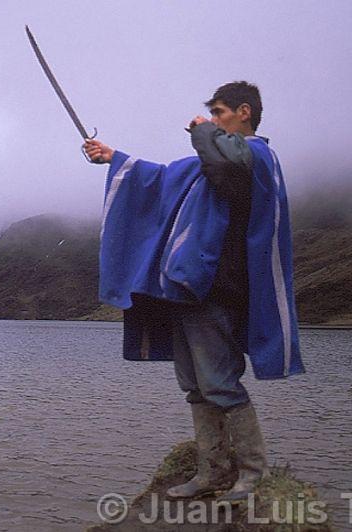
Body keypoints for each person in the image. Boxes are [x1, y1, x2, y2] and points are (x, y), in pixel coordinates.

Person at [83, 81, 304, 503]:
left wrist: (205, 132)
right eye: (212, 115)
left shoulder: (255, 155)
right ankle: (213, 471)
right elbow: (163, 178)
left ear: (244, 112)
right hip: (185, 289)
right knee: (195, 385)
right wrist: (115, 158)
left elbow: (225, 170)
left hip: (217, 289)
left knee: (221, 383)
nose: (213, 120)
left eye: (220, 113)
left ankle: (253, 473)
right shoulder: (211, 161)